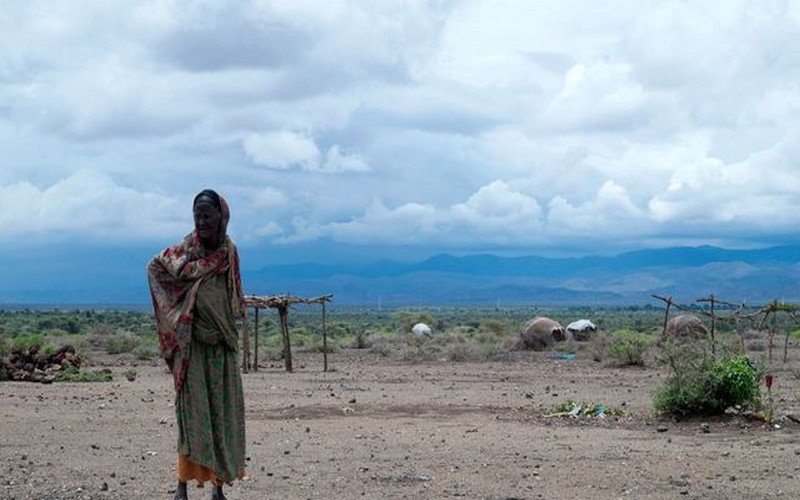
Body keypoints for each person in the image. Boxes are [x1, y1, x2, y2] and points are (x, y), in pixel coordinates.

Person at [147, 189, 246, 500]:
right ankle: (182, 486)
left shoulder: (229, 253)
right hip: (192, 349)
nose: (201, 222)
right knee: (192, 417)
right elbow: (155, 269)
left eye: (207, 215)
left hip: (223, 347)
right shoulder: (183, 253)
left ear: (221, 218)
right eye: (197, 216)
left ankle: (218, 487)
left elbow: (233, 297)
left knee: (222, 415)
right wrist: (179, 316)